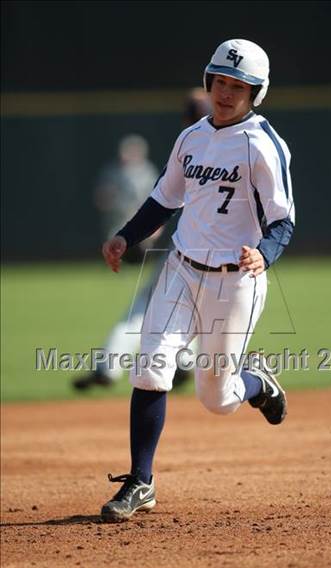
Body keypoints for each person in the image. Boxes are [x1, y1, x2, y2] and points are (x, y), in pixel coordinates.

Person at [100, 39, 295, 522]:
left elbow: (283, 221)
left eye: (238, 86)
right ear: (209, 82)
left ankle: (258, 383)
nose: (226, 94)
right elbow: (165, 198)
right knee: (150, 366)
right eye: (220, 82)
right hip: (181, 269)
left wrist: (264, 254)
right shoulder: (191, 138)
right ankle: (141, 481)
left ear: (257, 93)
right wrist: (126, 235)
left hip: (236, 282)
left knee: (217, 399)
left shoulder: (262, 146)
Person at [72, 90, 211, 390]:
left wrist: (133, 235)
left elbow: (165, 204)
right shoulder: (233, 147)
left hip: (185, 247)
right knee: (193, 310)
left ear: (187, 119)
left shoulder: (188, 147)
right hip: (218, 252)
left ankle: (110, 367)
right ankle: (184, 363)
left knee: (144, 308)